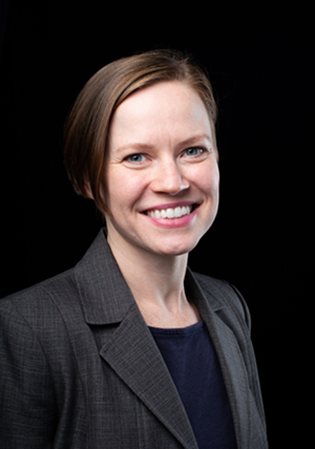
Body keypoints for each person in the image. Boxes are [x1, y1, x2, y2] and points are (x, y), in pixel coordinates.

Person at [0, 49, 268, 448]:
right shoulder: (27, 327)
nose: (172, 181)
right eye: (137, 157)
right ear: (88, 180)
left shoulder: (230, 306)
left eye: (193, 150)